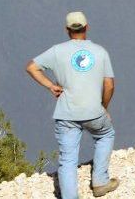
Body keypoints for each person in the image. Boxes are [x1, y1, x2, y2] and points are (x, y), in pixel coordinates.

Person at [26, 11, 118, 199]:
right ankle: (100, 181)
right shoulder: (100, 52)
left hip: (66, 114)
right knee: (106, 134)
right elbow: (109, 84)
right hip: (94, 112)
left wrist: (51, 86)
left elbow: (31, 67)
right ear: (87, 27)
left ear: (67, 30)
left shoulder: (57, 51)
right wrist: (104, 108)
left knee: (68, 160)